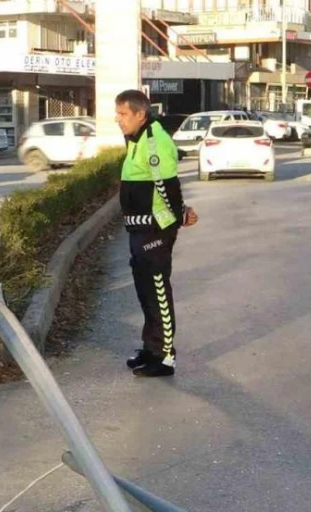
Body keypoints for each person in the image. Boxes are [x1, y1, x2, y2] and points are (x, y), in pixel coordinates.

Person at [113, 89, 197, 378]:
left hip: (155, 229)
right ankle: (151, 349)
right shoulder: (137, 138)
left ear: (140, 114)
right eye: (118, 113)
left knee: (158, 291)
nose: (118, 119)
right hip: (140, 228)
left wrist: (178, 216)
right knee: (145, 291)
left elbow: (167, 187)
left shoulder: (153, 142)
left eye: (123, 114)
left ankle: (166, 358)